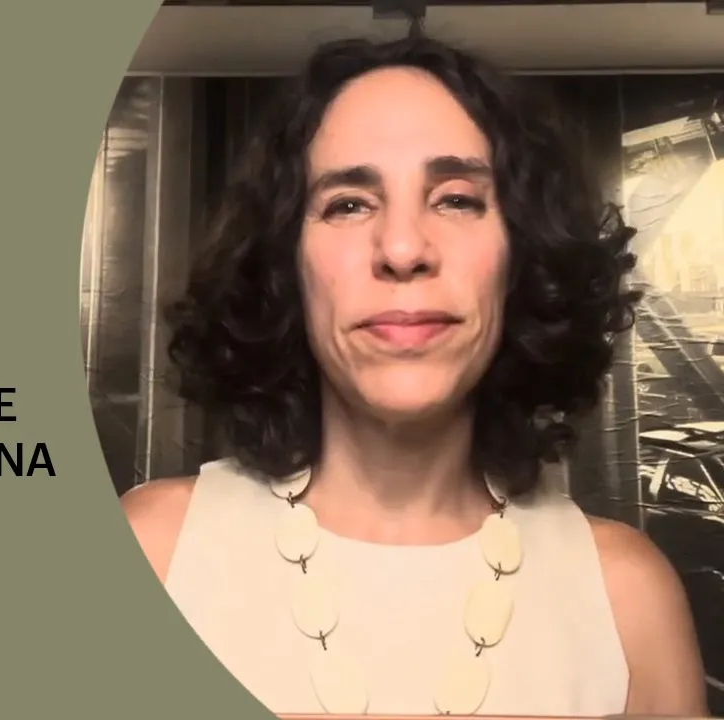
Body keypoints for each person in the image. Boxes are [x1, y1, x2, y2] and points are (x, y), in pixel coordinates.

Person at [120, 34, 708, 717]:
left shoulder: (628, 599)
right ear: (287, 265)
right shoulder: (154, 555)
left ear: (521, 256)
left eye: (456, 199)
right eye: (348, 203)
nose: (402, 249)